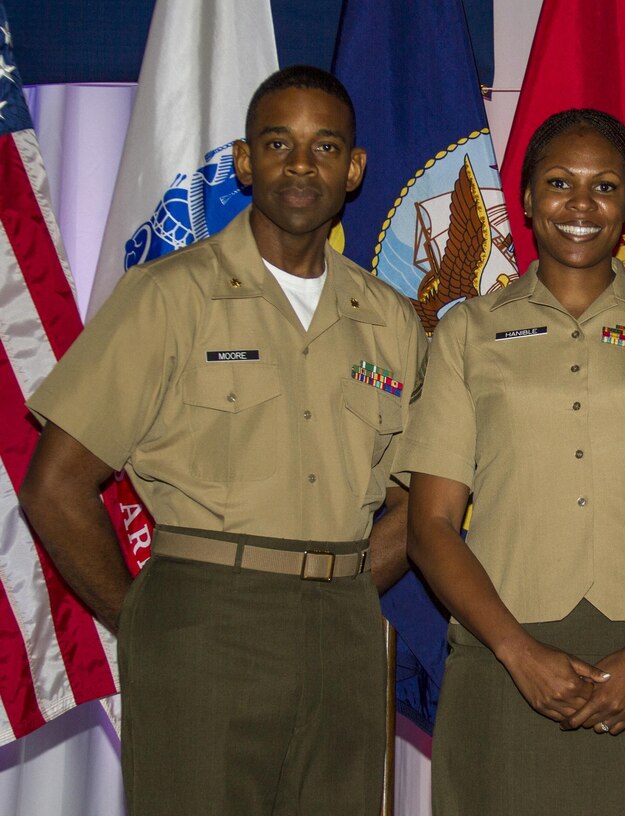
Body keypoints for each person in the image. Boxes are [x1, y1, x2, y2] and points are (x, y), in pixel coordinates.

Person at [18, 66, 426, 816]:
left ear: (355, 169)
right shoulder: (168, 296)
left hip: (344, 627)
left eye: (325, 146)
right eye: (279, 143)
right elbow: (55, 484)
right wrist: (140, 617)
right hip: (205, 618)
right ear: (244, 162)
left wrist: (343, 587)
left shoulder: (389, 319)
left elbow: (420, 497)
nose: (301, 166)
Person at [396, 108, 625, 815]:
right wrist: (517, 654)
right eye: (560, 183)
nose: (582, 206)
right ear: (525, 200)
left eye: (605, 187)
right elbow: (430, 525)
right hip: (506, 655)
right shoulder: (468, 329)